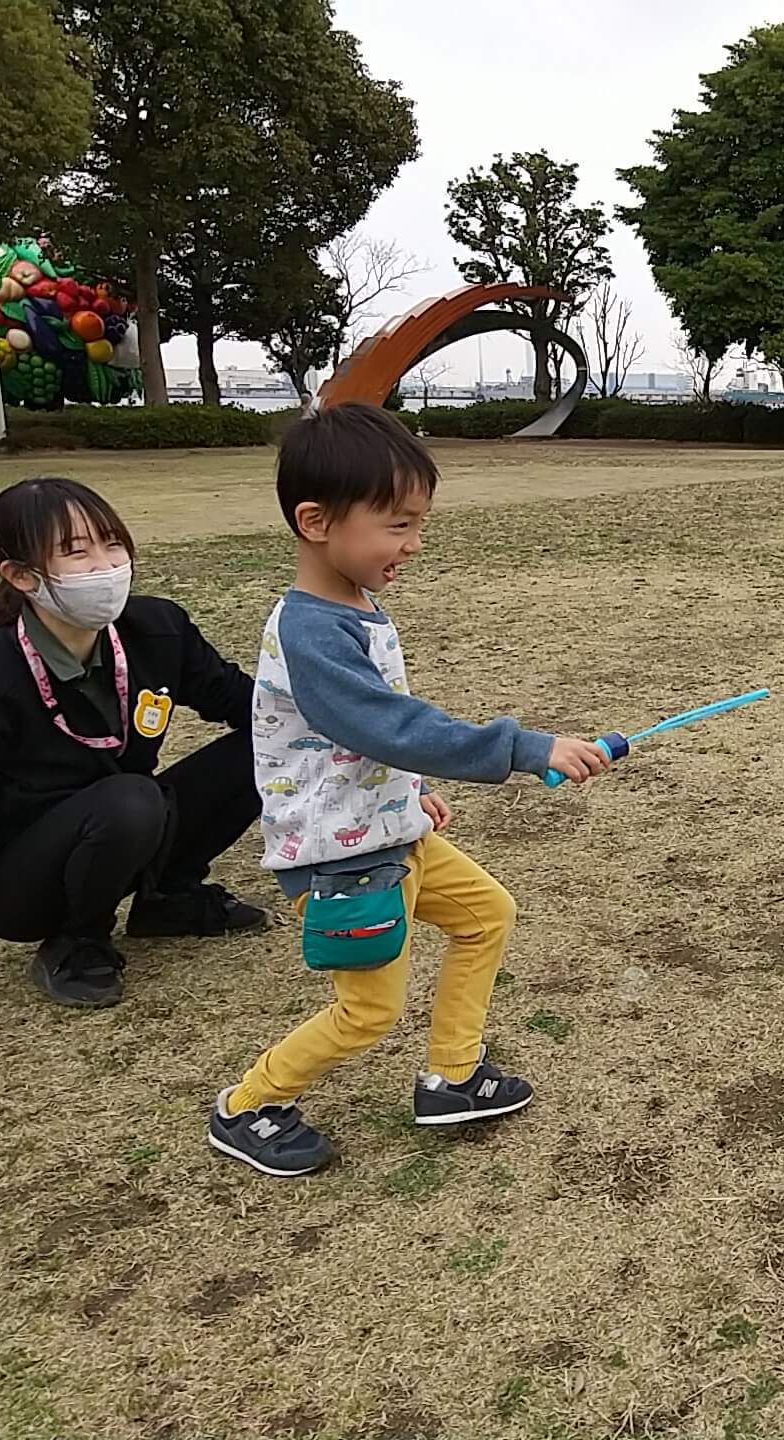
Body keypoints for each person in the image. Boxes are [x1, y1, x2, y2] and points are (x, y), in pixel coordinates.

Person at [207, 404, 612, 1178]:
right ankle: (247, 1105)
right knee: (368, 1012)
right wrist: (525, 749)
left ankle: (453, 1075)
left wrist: (408, 792)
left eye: (418, 524)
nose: (414, 545)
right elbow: (388, 723)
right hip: (342, 858)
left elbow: (362, 737)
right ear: (316, 521)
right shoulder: (310, 631)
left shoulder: (352, 606)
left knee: (486, 913)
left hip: (388, 833)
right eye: (397, 525)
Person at [0, 478, 267, 1014]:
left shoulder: (156, 628)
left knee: (267, 740)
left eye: (111, 542)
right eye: (76, 552)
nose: (106, 564)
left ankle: (166, 899)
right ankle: (78, 939)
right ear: (21, 576)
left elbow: (254, 707)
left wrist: (388, 771)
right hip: (17, 881)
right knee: (131, 798)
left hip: (124, 821)